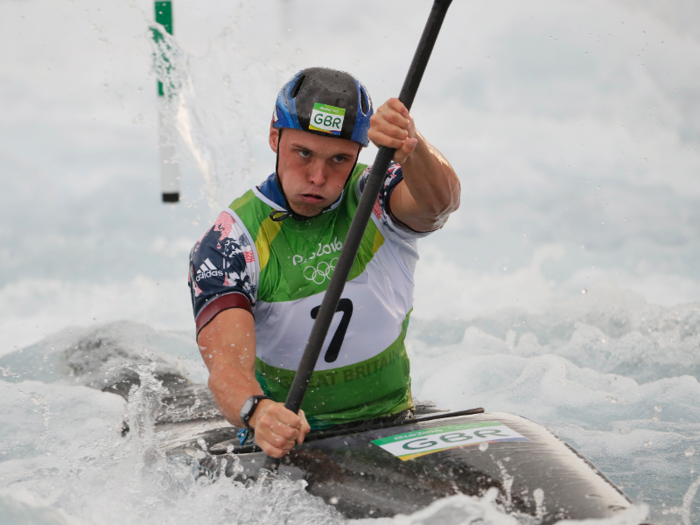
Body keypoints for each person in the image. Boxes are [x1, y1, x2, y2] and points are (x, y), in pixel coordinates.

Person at [188, 67, 460, 458]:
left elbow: (440, 205)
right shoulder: (230, 244)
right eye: (304, 153)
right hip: (293, 441)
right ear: (273, 135)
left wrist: (411, 147)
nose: (318, 176)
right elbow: (227, 371)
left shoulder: (374, 194)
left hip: (394, 420)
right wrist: (258, 412)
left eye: (339, 159)